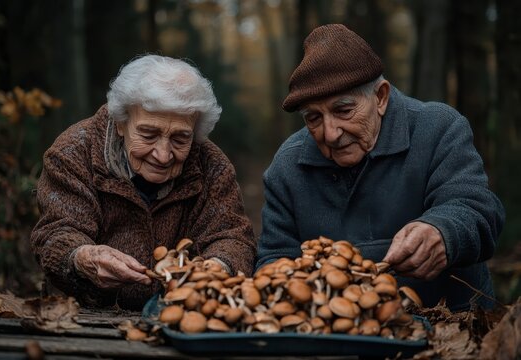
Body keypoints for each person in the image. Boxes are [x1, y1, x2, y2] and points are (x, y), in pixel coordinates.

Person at [256, 24, 505, 311]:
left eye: (343, 110)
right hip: (339, 337)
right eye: (313, 118)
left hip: (453, 323)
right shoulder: (287, 166)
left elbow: (478, 209)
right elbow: (274, 256)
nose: (330, 133)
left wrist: (443, 231)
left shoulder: (438, 128)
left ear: (381, 97)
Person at [31, 54, 256, 310]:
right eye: (148, 134)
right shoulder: (72, 153)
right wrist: (82, 257)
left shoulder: (213, 166)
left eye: (180, 139)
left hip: (183, 316)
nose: (163, 154)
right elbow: (56, 234)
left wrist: (217, 265)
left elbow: (233, 238)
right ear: (120, 124)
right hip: (83, 315)